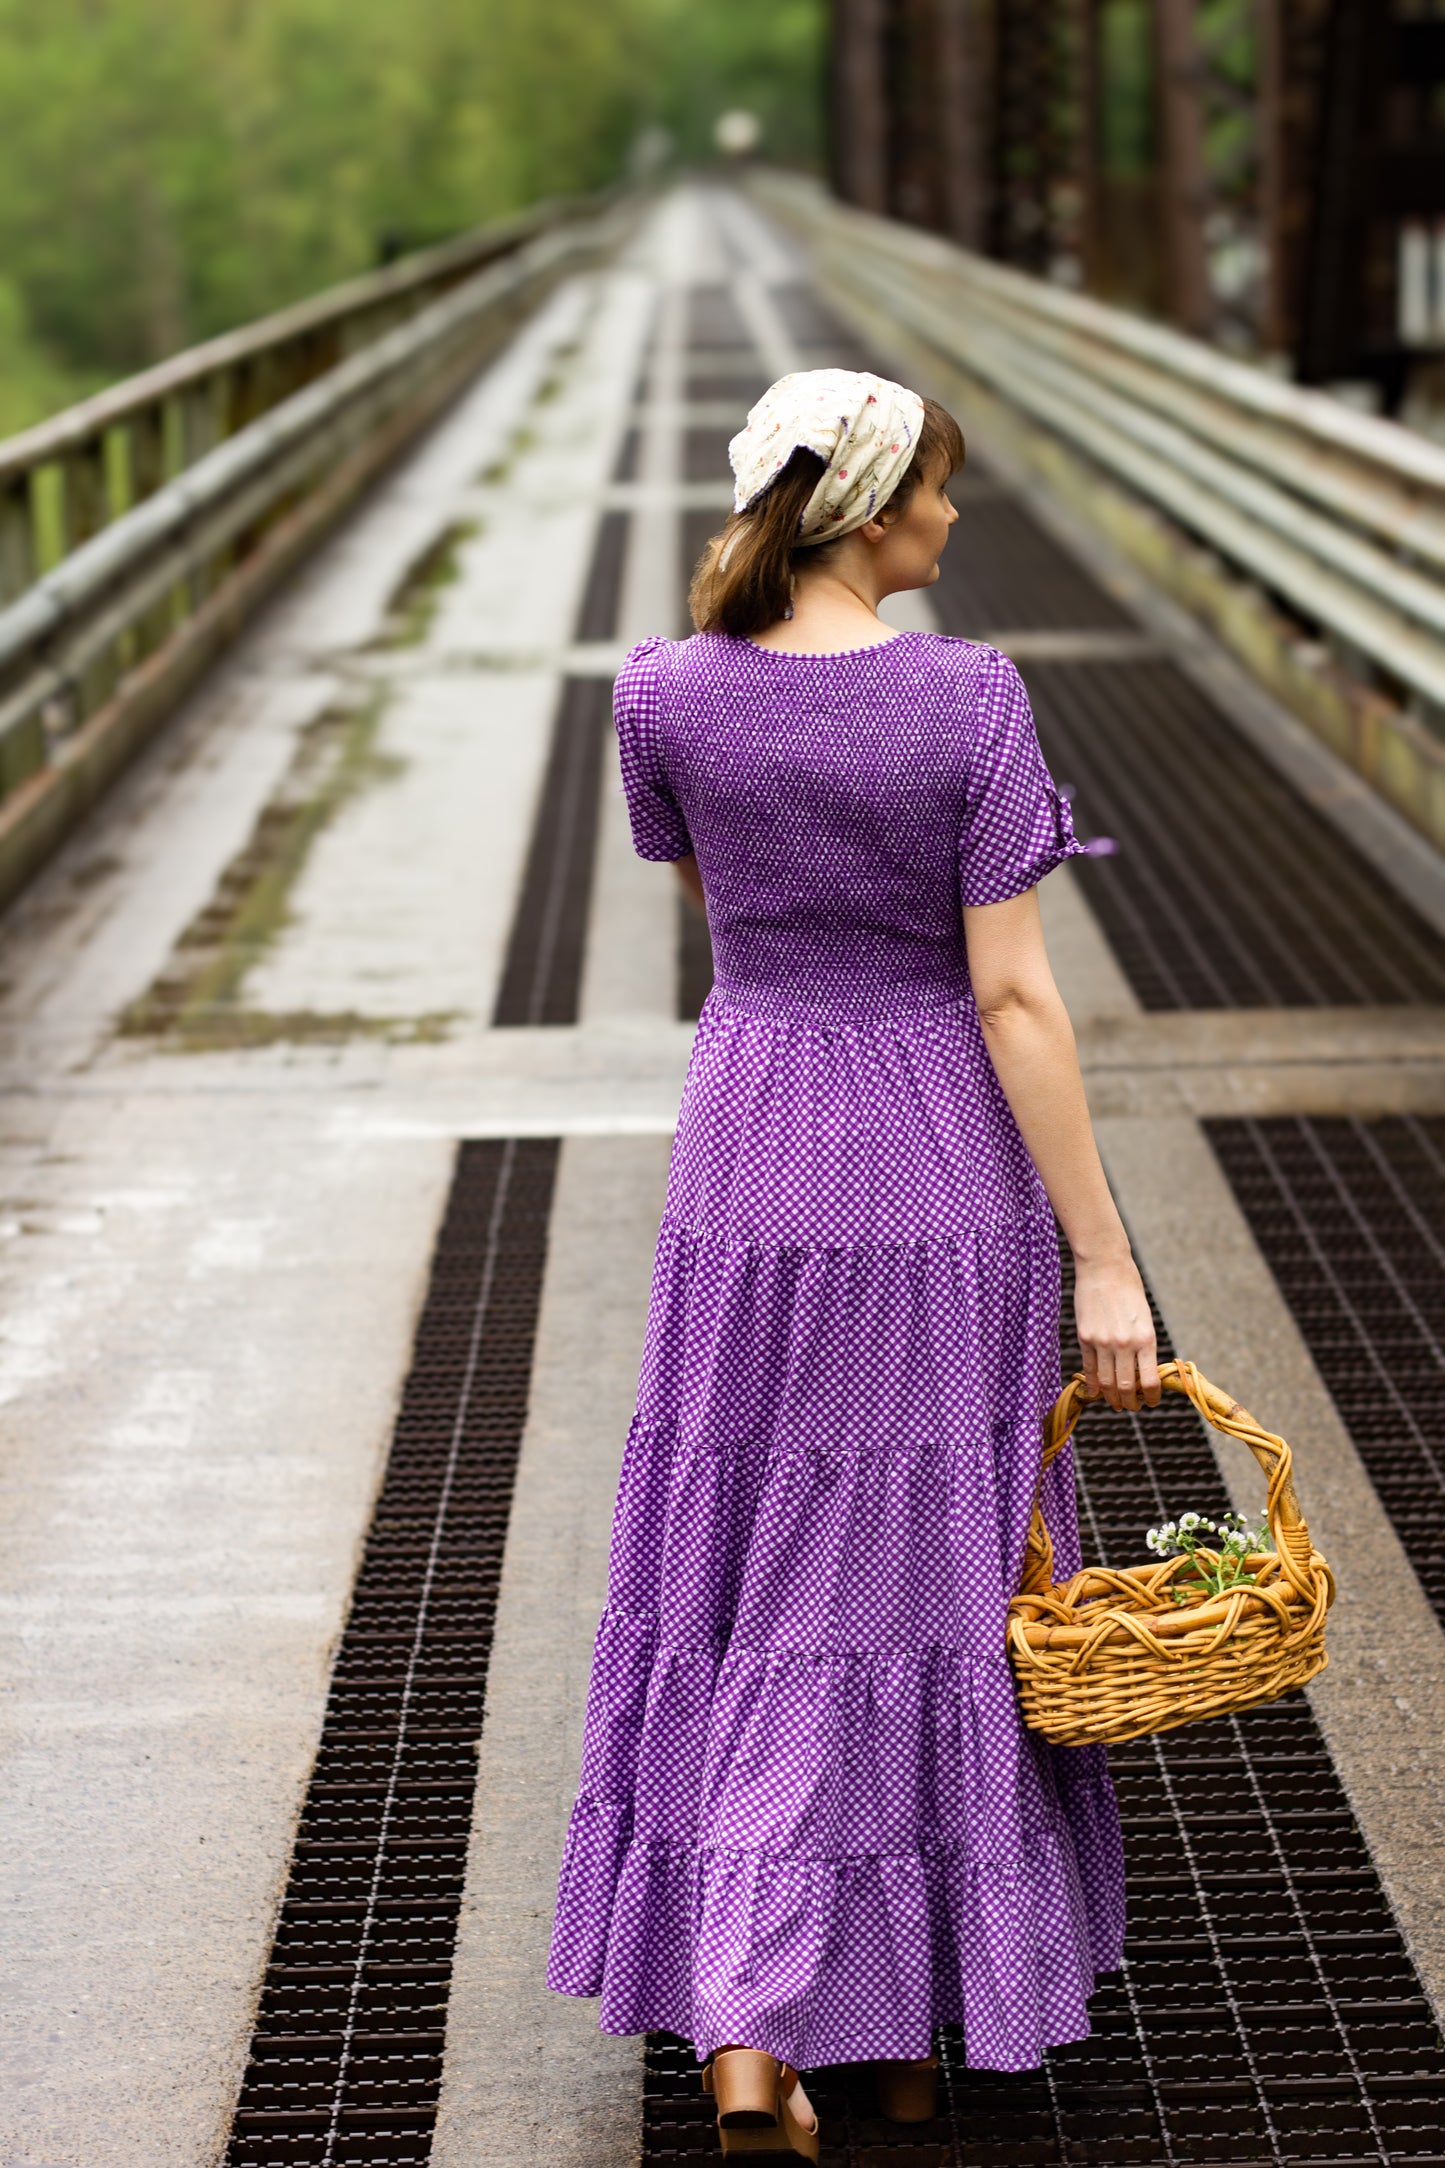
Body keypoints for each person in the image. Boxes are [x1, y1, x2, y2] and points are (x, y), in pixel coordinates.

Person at [547, 368, 1160, 2159]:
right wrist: (1104, 1260)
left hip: (751, 1144)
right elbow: (1012, 997)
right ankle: (815, 2010)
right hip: (930, 1161)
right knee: (902, 1580)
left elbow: (726, 911)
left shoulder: (662, 691)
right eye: (938, 490)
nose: (952, 518)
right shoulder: (968, 697)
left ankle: (794, 2034)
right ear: (875, 510)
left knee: (751, 1562)